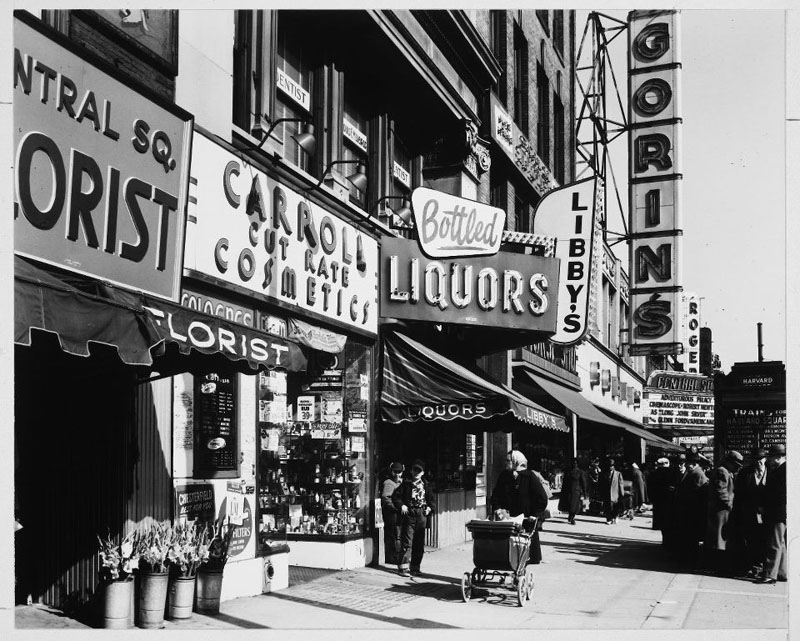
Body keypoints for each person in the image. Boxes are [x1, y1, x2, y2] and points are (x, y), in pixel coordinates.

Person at [490, 450, 548, 564]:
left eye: (508, 461)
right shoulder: (504, 476)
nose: (506, 463)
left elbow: (542, 498)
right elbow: (496, 495)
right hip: (508, 518)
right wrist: (497, 508)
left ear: (516, 461)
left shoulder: (529, 476)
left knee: (526, 546)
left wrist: (535, 514)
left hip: (526, 518)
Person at [392, 459, 434, 577]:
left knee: (419, 543)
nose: (416, 472)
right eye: (415, 470)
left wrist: (429, 508)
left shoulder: (426, 485)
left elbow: (432, 501)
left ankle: (415, 567)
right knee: (407, 541)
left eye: (419, 470)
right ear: (411, 471)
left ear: (423, 473)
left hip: (421, 514)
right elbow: (396, 497)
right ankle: (403, 568)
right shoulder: (405, 484)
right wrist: (402, 505)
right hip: (409, 514)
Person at [731, 448, 769, 578]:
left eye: (760, 459)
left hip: (766, 514)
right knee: (750, 541)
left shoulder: (772, 473)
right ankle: (753, 567)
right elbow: (739, 495)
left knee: (764, 540)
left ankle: (763, 566)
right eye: (755, 460)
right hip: (748, 514)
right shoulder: (744, 473)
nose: (758, 462)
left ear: (765, 459)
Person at [704, 450, 743, 575]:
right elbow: (721, 491)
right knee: (719, 540)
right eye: (735, 464)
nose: (737, 467)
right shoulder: (722, 471)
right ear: (729, 462)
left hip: (722, 510)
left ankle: (717, 565)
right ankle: (718, 567)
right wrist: (730, 505)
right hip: (721, 511)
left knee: (720, 539)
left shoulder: (727, 471)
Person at [758, 444, 786, 584]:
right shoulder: (780, 469)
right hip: (780, 512)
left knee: (774, 543)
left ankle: (769, 574)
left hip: (777, 512)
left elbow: (778, 494)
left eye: (772, 456)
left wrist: (766, 506)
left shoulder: (782, 470)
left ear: (779, 457)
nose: (769, 459)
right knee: (780, 543)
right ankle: (782, 572)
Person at [673, 451, 708, 568]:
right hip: (687, 511)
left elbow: (699, 495)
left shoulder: (698, 474)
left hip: (692, 512)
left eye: (688, 463)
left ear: (694, 463)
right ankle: (688, 558)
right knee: (688, 537)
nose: (686, 465)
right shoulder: (692, 473)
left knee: (691, 537)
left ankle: (691, 560)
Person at [380, 461, 405, 565]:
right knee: (392, 534)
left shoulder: (402, 482)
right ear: (392, 471)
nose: (397, 474)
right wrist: (395, 507)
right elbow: (386, 497)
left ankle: (398, 556)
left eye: (399, 472)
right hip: (392, 513)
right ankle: (391, 557)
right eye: (395, 471)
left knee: (399, 534)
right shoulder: (389, 483)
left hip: (400, 512)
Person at [558, 458, 588, 525]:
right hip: (568, 490)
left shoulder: (580, 472)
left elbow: (583, 483)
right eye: (573, 463)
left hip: (576, 491)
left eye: (576, 463)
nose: (574, 464)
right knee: (569, 504)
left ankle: (572, 518)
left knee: (574, 506)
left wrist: (584, 493)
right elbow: (565, 482)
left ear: (577, 464)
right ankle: (570, 516)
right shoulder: (568, 471)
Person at [599, 457, 626, 525]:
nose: (610, 467)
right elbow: (601, 485)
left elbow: (621, 484)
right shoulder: (604, 474)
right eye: (609, 466)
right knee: (608, 507)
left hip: (615, 493)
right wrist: (601, 494)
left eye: (611, 466)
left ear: (614, 467)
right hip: (607, 494)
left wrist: (622, 494)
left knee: (615, 507)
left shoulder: (618, 474)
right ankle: (609, 519)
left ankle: (615, 517)